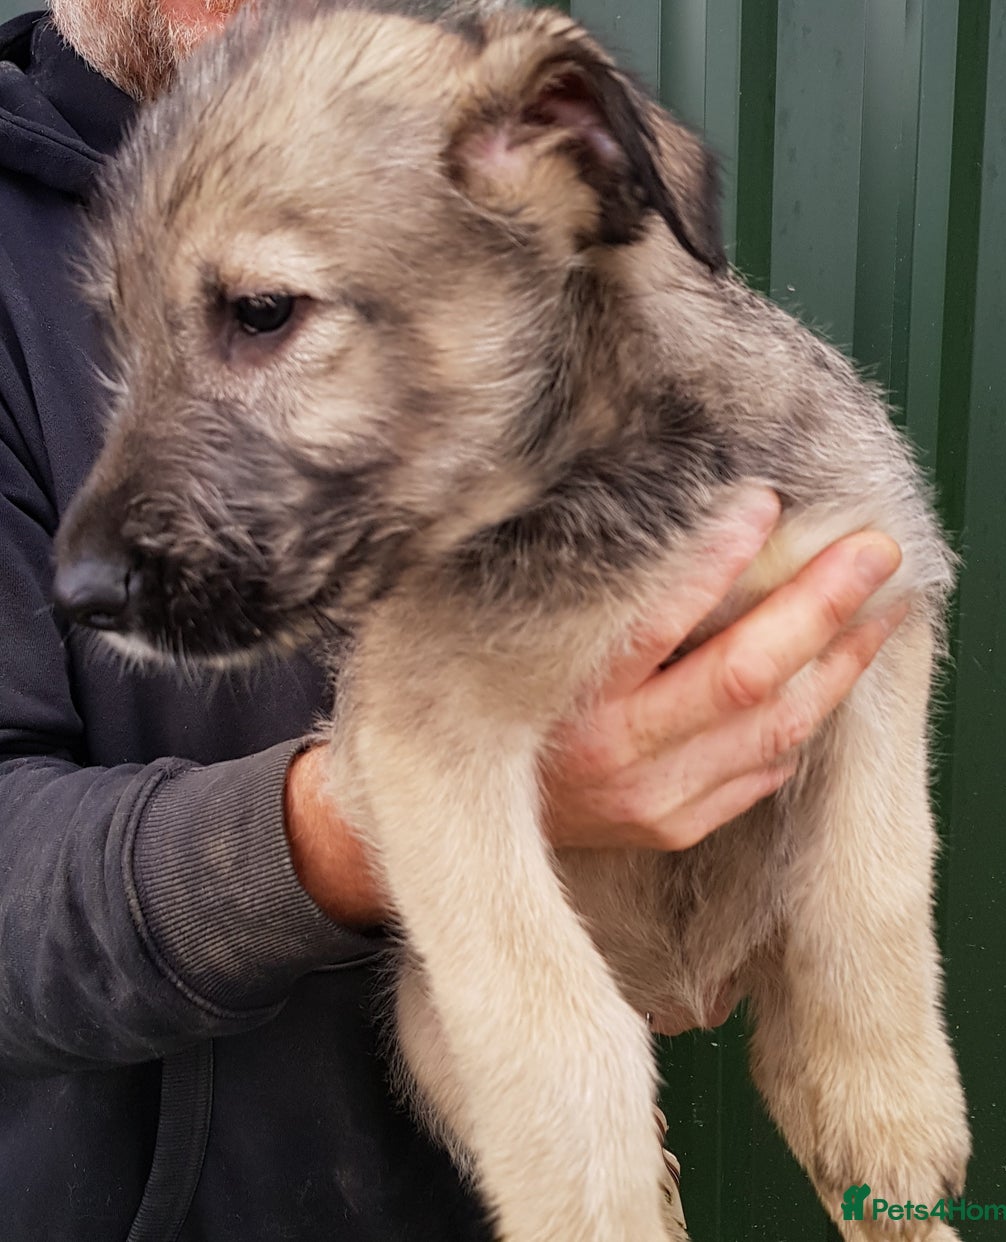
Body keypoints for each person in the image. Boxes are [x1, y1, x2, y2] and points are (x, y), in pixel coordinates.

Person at [0, 1, 906, 1238]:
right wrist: (337, 827)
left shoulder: (501, 175)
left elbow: (861, 579)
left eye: (260, 312)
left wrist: (847, 964)